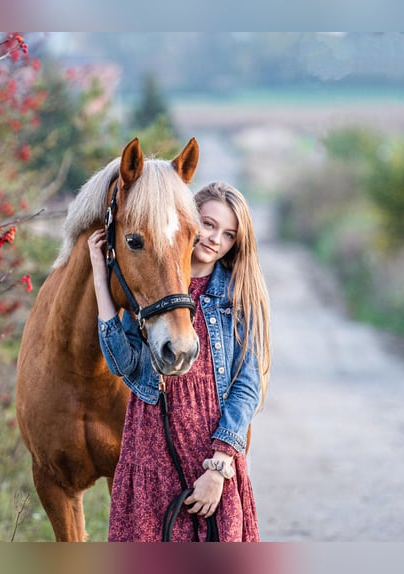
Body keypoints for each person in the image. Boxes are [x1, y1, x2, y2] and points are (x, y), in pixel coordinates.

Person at [88, 181, 271, 542]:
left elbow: (246, 386)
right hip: (151, 451)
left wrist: (219, 468)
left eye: (229, 234)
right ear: (186, 219)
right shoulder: (153, 287)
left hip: (209, 453)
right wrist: (99, 274)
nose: (215, 238)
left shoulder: (237, 297)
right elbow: (121, 364)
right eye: (208, 223)